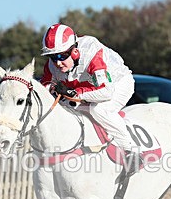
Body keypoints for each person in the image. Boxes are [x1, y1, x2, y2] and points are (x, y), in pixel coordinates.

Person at [39, 23, 140, 174]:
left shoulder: (92, 53)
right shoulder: (52, 65)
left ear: (74, 51)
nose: (58, 63)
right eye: (52, 57)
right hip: (90, 88)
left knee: (99, 109)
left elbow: (106, 92)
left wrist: (74, 93)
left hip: (118, 83)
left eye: (61, 56)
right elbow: (44, 88)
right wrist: (52, 90)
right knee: (66, 107)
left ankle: (132, 151)